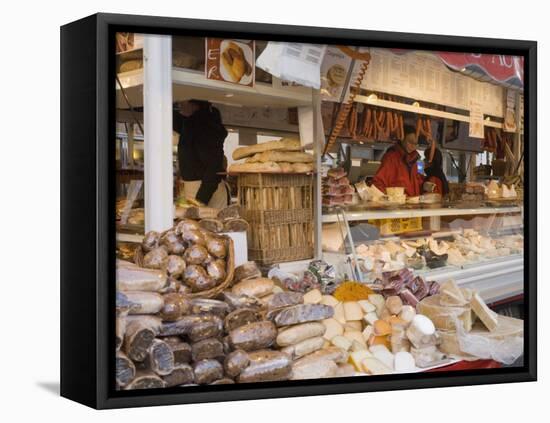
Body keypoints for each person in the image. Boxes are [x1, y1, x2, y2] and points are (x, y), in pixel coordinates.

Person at [173, 100, 229, 208]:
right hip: (197, 188)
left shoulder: (205, 127)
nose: (179, 104)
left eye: (182, 101)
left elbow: (213, 167)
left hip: (205, 190)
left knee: (210, 224)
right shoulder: (193, 123)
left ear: (194, 104)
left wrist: (200, 200)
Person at [371, 125, 424, 196]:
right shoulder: (390, 158)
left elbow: (418, 181)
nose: (413, 146)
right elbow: (378, 182)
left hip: (413, 204)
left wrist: (425, 185)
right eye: (410, 142)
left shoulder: (417, 161)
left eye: (415, 143)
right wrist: (385, 200)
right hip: (396, 205)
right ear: (402, 139)